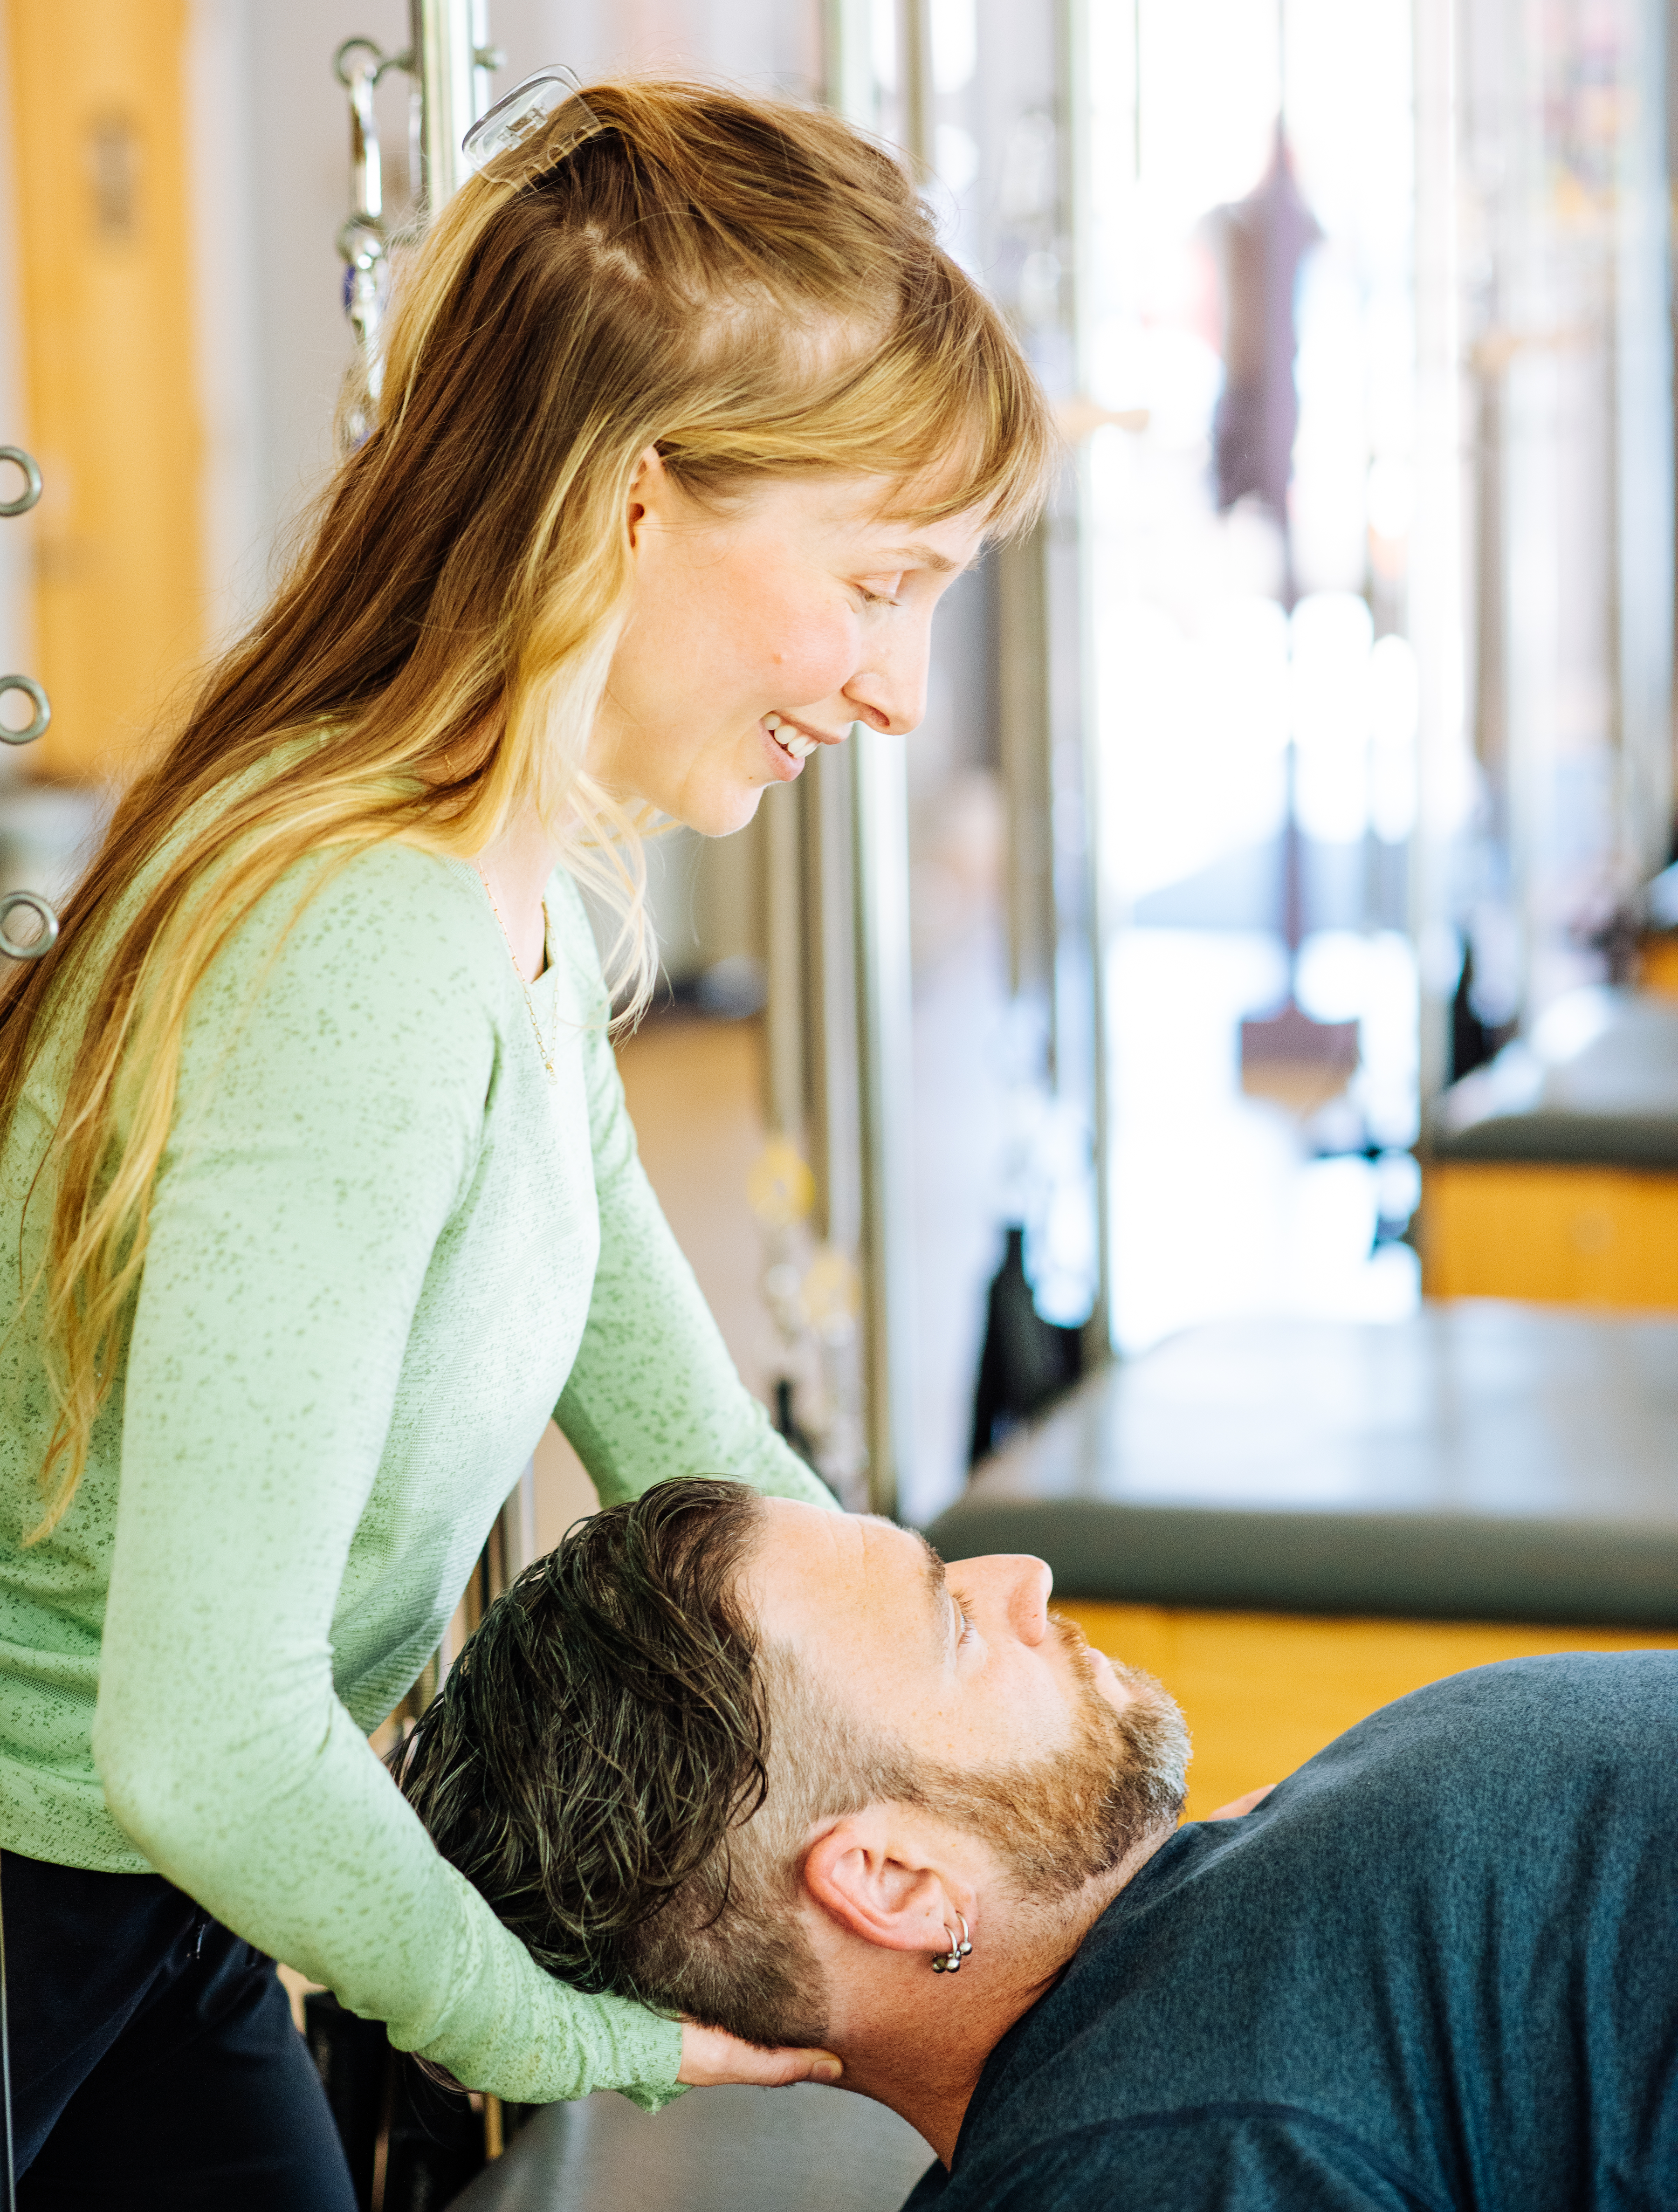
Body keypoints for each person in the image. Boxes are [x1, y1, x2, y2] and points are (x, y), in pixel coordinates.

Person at [0, 77, 1053, 2206]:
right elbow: (204, 1733)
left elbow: (696, 1450)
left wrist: (1021, 1848)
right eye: (879, 579)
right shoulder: (364, 942)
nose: (900, 687)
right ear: (634, 507)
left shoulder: (517, 901)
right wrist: (567, 2036)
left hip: (142, 1902)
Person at [398, 1478, 1678, 2210]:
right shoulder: (1173, 2147)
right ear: (895, 1883)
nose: (1025, 1577)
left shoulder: (1175, 2027)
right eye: (951, 1625)